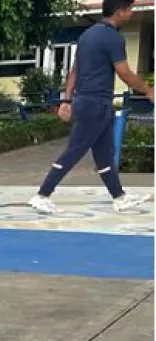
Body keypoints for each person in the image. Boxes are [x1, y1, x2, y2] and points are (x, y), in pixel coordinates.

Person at [30, 0, 152, 214]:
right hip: (95, 103)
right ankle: (42, 194)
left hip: (91, 102)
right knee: (75, 150)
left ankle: (119, 197)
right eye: (129, 9)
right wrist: (148, 90)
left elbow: (75, 71)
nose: (131, 13)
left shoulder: (87, 36)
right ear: (119, 12)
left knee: (104, 154)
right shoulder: (113, 38)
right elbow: (124, 72)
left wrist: (67, 101)